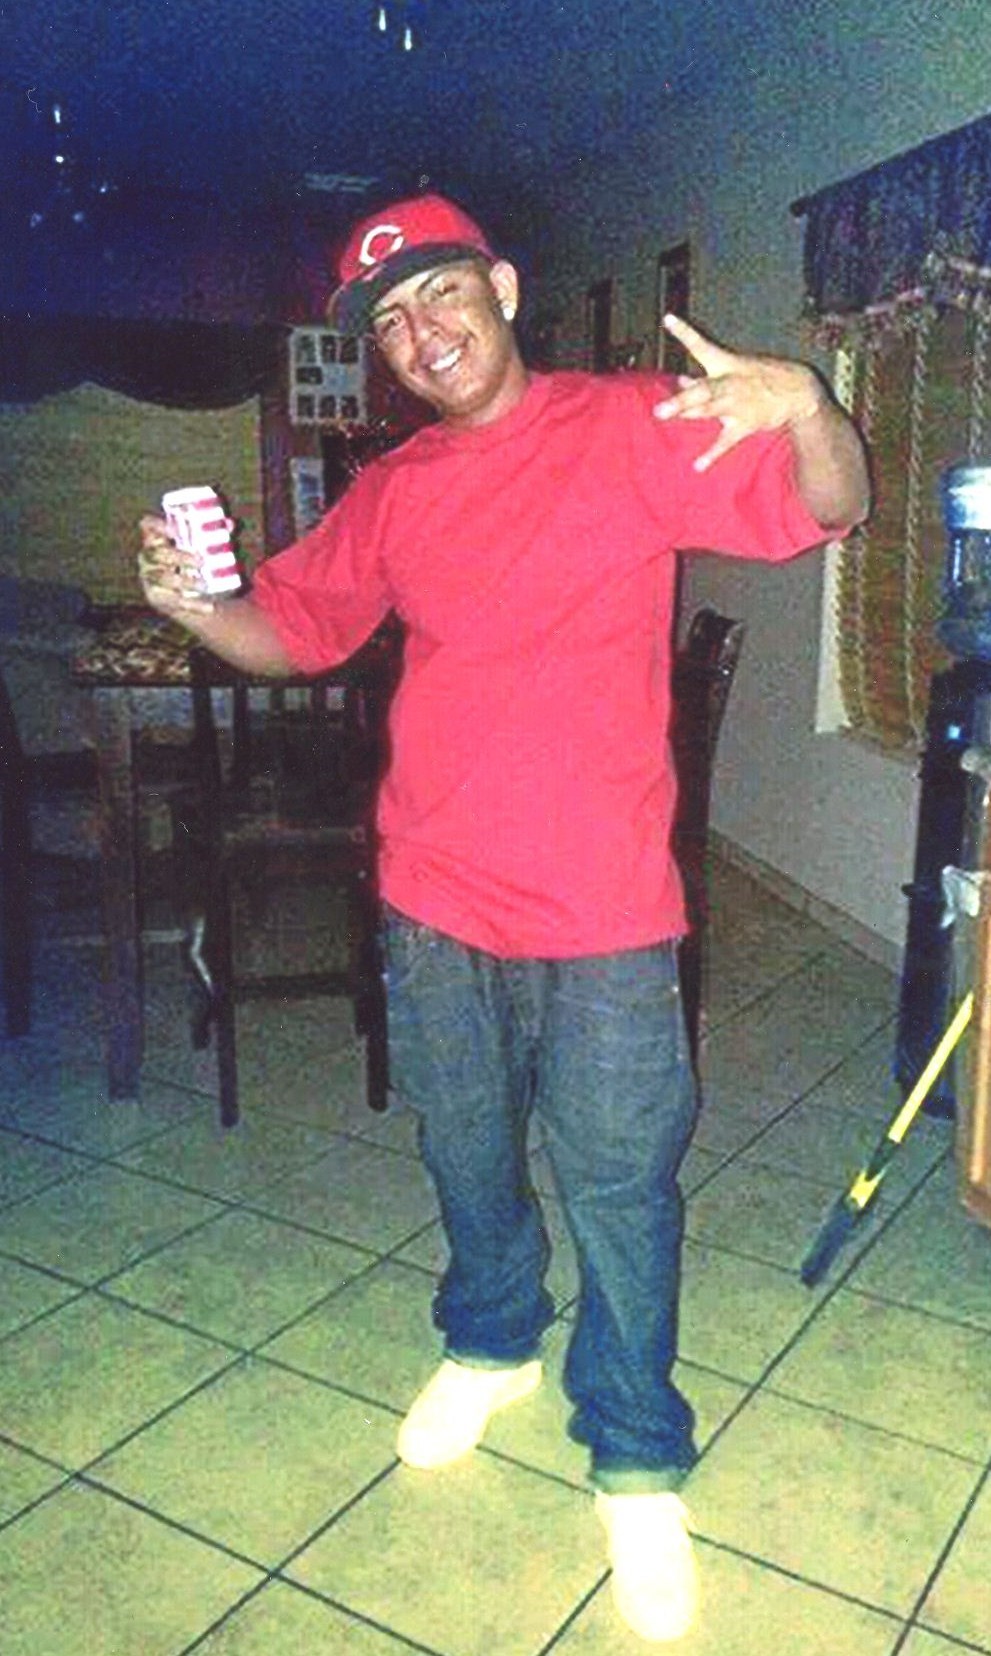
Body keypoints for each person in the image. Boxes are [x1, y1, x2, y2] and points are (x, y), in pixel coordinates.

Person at [139, 192, 869, 1644]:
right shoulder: (397, 487)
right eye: (390, 323)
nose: (420, 334)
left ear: (506, 290)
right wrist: (194, 611)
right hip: (432, 893)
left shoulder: (632, 425)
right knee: (465, 1147)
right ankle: (489, 1346)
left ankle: (637, 1453)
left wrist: (806, 400)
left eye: (441, 294)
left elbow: (826, 508)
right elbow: (296, 629)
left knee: (618, 1183)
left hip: (603, 905)